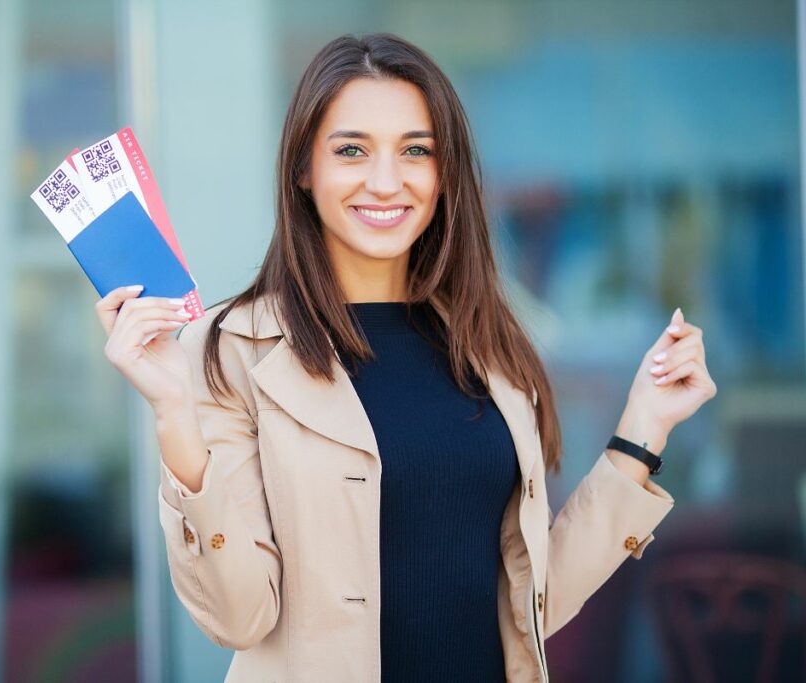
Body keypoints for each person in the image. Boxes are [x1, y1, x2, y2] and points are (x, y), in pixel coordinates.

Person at [95, 32, 717, 682]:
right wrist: (174, 415)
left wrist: (645, 428)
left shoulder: (490, 344)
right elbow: (238, 617)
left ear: (443, 172)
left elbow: (528, 604)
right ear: (303, 169)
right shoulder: (232, 351)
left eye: (415, 150)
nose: (387, 180)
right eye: (352, 150)